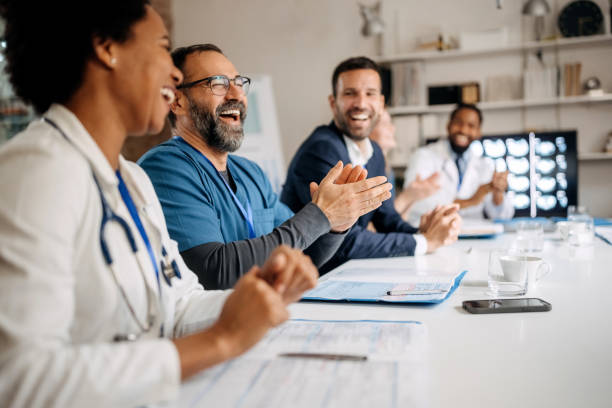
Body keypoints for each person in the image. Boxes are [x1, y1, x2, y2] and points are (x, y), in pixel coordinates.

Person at [0, 2, 317, 407]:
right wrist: (221, 340)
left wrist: (259, 295)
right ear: (105, 47)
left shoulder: (131, 179)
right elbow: (18, 379)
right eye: (163, 48)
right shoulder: (36, 173)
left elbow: (178, 306)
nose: (174, 73)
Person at [139, 44, 392, 289]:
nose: (237, 95)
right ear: (177, 101)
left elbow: (305, 256)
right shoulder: (166, 168)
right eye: (218, 84)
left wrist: (336, 224)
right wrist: (320, 215)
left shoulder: (250, 173)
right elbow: (213, 271)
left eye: (239, 83)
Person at [281, 56, 461, 273]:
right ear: (333, 102)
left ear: (381, 103)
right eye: (350, 93)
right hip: (310, 277)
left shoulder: (374, 152)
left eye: (370, 94)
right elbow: (344, 240)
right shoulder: (322, 149)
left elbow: (387, 218)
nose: (361, 104)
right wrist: (425, 242)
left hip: (345, 271)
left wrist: (423, 232)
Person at [403, 103, 514, 225]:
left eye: (471, 126)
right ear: (448, 126)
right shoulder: (424, 156)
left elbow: (503, 216)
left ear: (478, 132)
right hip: (430, 233)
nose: (463, 130)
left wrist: (498, 194)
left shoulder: (485, 166)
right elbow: (414, 201)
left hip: (474, 237)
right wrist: (470, 201)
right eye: (458, 123)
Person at [368, 108, 441, 220]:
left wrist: (414, 196)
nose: (392, 128)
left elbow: (397, 221)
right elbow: (371, 228)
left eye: (390, 123)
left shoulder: (387, 169)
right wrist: (407, 196)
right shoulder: (365, 170)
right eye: (384, 124)